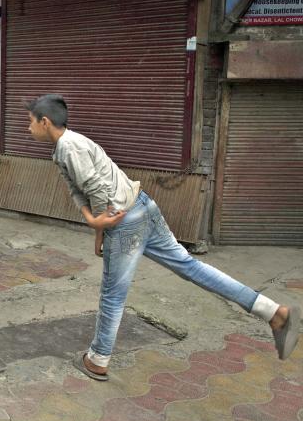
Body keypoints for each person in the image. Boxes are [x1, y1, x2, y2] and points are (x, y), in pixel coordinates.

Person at [25, 94, 300, 381]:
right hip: (142, 206)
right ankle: (273, 312)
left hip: (124, 220)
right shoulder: (65, 147)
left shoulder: (69, 146)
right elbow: (78, 190)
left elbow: (96, 190)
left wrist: (100, 224)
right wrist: (95, 225)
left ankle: (98, 359)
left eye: (30, 122)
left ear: (45, 122)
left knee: (112, 294)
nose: (27, 128)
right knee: (190, 267)